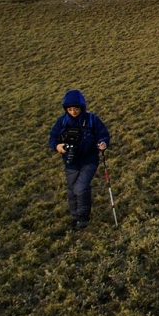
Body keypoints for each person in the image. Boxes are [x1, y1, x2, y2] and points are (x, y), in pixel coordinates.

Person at [49, 89, 110, 230]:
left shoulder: (92, 119)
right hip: (70, 162)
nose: (73, 112)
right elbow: (52, 138)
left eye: (75, 108)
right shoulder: (61, 122)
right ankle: (75, 216)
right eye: (69, 109)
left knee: (80, 188)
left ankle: (83, 218)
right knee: (71, 190)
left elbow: (103, 134)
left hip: (89, 160)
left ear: (81, 107)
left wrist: (103, 143)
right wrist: (57, 146)